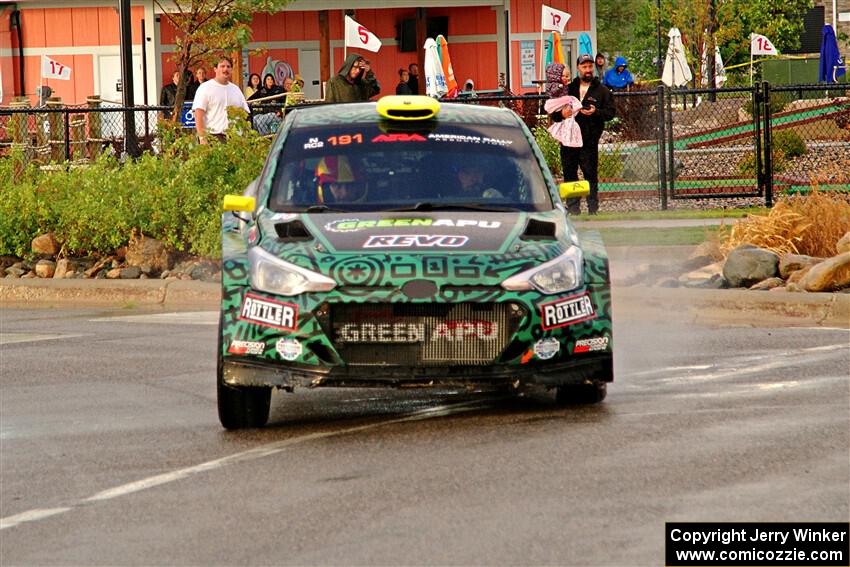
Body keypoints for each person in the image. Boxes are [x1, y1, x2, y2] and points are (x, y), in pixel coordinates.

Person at [549, 53, 615, 215]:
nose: (587, 70)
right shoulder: (568, 89)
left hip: (589, 141)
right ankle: (573, 209)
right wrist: (562, 115)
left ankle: (593, 209)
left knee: (590, 175)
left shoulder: (602, 91)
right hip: (569, 141)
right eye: (584, 66)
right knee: (570, 174)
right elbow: (554, 114)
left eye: (590, 66)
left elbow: (611, 113)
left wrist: (595, 112)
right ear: (578, 68)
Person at [192, 56, 250, 144]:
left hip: (235, 138)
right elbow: (198, 114)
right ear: (215, 69)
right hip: (214, 137)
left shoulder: (236, 89)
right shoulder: (205, 88)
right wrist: (202, 138)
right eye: (222, 66)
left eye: (228, 66)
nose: (225, 69)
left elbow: (244, 114)